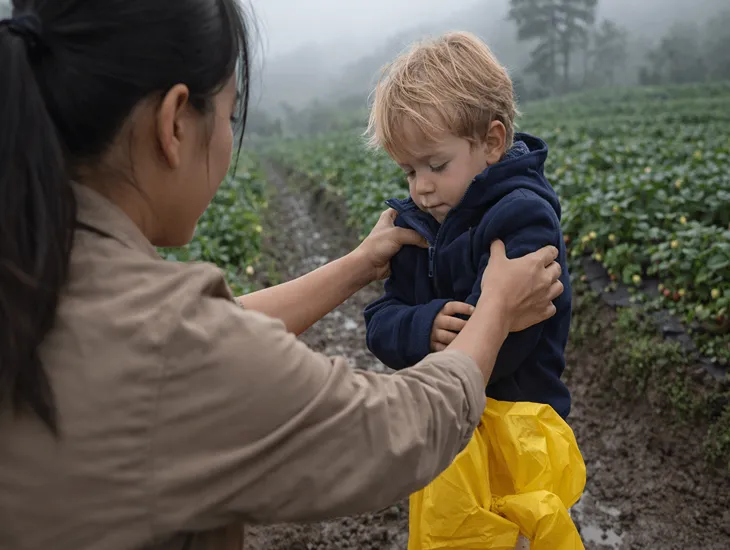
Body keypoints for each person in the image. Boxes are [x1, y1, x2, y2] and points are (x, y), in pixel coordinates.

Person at [0, 3, 563, 550]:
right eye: (230, 114)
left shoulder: (37, 269)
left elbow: (208, 332)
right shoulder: (167, 347)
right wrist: (494, 311)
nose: (420, 185)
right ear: (173, 124)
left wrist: (359, 264)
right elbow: (393, 431)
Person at [363, 31, 573, 419]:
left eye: (437, 165)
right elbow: (378, 322)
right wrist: (424, 325)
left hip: (518, 428)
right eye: (409, 171)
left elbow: (502, 346)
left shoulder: (523, 217)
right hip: (444, 419)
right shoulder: (420, 223)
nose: (421, 187)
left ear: (492, 143)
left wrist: (423, 333)